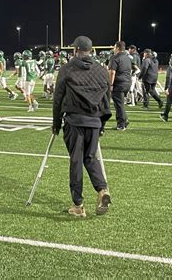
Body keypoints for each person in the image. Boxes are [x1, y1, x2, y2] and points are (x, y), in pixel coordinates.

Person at [52, 36, 112, 218]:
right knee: (90, 158)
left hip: (75, 121)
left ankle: (78, 205)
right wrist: (102, 123)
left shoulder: (67, 68)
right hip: (94, 121)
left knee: (76, 161)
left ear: (75, 50)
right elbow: (106, 97)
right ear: (91, 50)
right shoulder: (101, 70)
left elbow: (58, 98)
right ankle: (102, 190)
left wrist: (56, 123)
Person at [108, 41, 132, 131]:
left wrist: (110, 84)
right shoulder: (128, 58)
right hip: (127, 82)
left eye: (114, 47)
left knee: (119, 104)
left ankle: (122, 123)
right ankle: (124, 120)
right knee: (120, 103)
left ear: (117, 48)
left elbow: (112, 72)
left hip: (119, 83)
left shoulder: (115, 58)